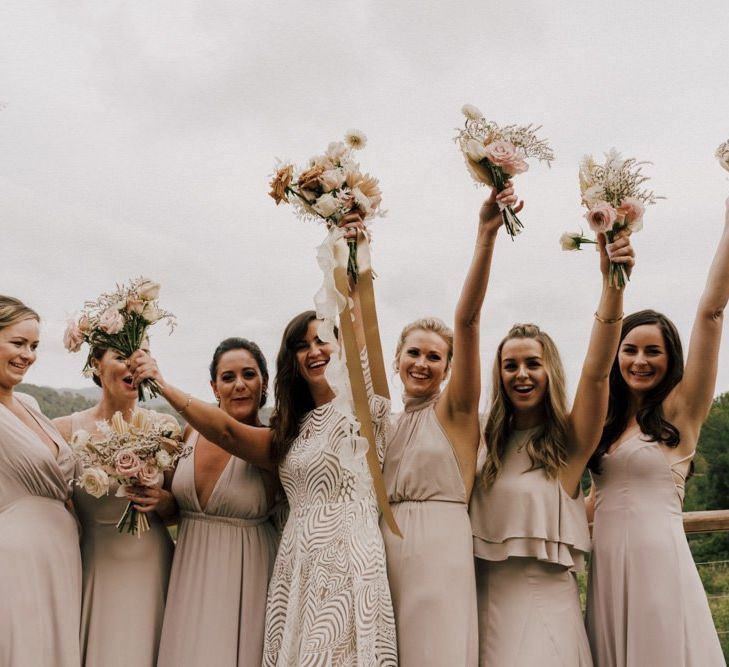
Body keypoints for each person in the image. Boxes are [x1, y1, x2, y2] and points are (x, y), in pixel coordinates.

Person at [130, 214, 397, 666]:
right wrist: (162, 386)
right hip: (295, 561)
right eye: (303, 344)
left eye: (323, 340)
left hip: (348, 554)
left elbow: (361, 329)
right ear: (292, 359)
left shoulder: (363, 408)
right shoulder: (288, 431)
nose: (315, 350)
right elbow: (228, 432)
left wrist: (349, 253)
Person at [469, 233, 635, 666]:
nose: (521, 374)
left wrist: (612, 285)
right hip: (484, 609)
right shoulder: (481, 444)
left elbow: (598, 373)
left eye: (532, 364)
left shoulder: (569, 444)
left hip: (548, 609)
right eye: (510, 365)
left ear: (550, 370)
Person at [585, 198, 729, 666]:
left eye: (653, 351)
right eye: (629, 349)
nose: (640, 360)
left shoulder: (682, 411)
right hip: (606, 571)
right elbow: (590, 503)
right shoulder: (604, 423)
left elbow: (710, 311)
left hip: (658, 569)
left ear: (671, 359)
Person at [381, 184, 520, 666]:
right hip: (381, 547)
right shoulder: (384, 420)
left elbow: (469, 321)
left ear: (448, 367)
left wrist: (485, 236)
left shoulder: (456, 413)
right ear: (396, 359)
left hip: (439, 548)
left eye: (434, 357)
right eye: (414, 353)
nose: (422, 363)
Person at [157, 337, 280, 667]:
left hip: (245, 573)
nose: (239, 385)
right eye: (228, 377)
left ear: (264, 382)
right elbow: (172, 513)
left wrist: (160, 383)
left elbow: (226, 432)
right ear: (214, 386)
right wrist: (152, 494)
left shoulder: (271, 441)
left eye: (249, 375)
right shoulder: (188, 434)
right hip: (189, 566)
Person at [54, 343, 176, 667]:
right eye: (122, 356)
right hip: (94, 562)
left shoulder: (165, 427)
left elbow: (182, 508)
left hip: (153, 561)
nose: (134, 365)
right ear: (96, 364)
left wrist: (163, 500)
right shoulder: (64, 430)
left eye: (142, 355)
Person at [0, 296, 82, 666]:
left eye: (33, 346)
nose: (27, 355)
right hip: (14, 557)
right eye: (17, 343)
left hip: (61, 555)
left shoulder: (30, 403)